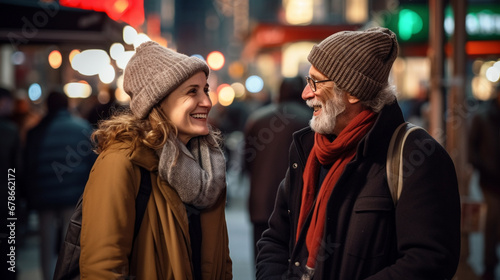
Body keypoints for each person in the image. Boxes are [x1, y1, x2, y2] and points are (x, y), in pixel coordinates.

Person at [256, 27, 461, 280]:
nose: (305, 93)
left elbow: (429, 261)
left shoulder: (417, 154)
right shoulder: (308, 149)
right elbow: (275, 239)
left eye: (315, 82)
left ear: (352, 92)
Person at [79, 41, 232, 279]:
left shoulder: (210, 167)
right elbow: (103, 268)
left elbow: (221, 263)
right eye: (192, 91)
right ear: (158, 102)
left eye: (206, 90)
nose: (207, 102)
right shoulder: (122, 162)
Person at [24, 90, 95, 280]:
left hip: (44, 196)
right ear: (66, 105)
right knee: (70, 242)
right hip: (73, 195)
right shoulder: (82, 127)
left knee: (46, 241)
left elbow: (28, 166)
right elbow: (92, 163)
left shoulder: (35, 131)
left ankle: (47, 275)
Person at [243, 76, 311, 261]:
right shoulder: (310, 120)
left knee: (262, 258)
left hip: (262, 202)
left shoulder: (257, 119)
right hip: (298, 203)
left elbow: (247, 161)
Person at [468, 85, 500, 280]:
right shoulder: (483, 117)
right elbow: (472, 146)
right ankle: (489, 265)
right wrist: (481, 167)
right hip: (490, 180)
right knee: (492, 222)